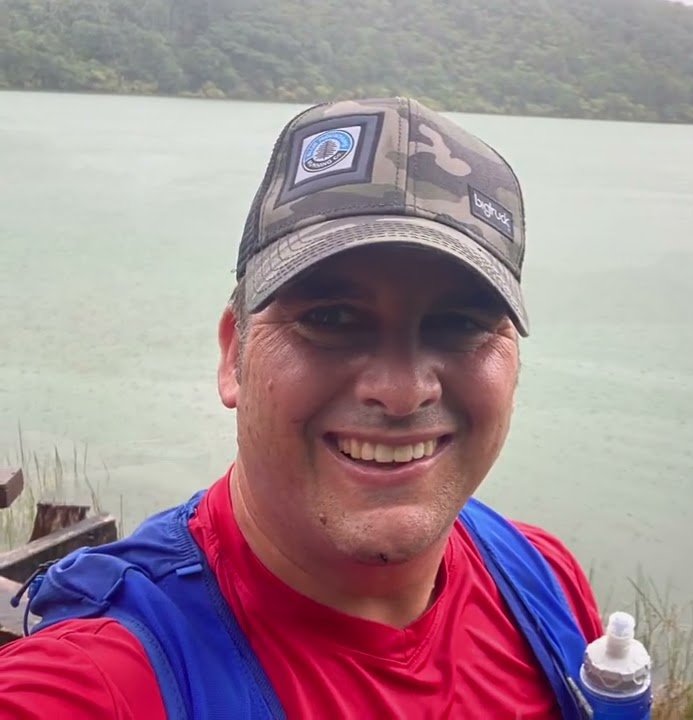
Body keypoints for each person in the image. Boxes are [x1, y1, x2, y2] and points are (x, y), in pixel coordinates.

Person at [0, 96, 606, 718]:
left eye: (460, 323)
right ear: (233, 353)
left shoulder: (544, 584)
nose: (402, 391)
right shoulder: (99, 682)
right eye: (331, 319)